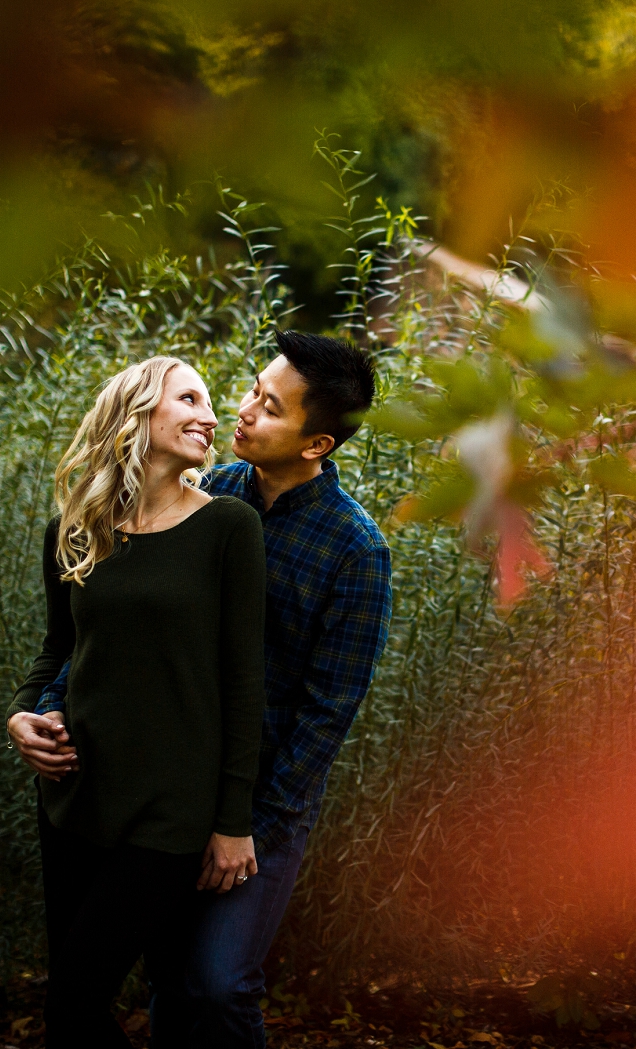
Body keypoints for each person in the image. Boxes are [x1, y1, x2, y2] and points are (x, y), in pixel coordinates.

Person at [29, 331, 394, 1048]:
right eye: (254, 389)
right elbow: (113, 634)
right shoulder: (208, 492)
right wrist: (43, 706)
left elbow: (326, 712)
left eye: (271, 406)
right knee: (168, 973)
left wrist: (242, 823)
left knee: (217, 981)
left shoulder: (354, 549)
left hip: (261, 799)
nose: (245, 409)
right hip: (169, 784)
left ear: (316, 442)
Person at [5, 357, 267, 1049]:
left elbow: (245, 681)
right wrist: (22, 712)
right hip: (72, 795)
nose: (209, 415)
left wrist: (232, 819)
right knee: (74, 1012)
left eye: (210, 402)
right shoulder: (73, 525)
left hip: (169, 815)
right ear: (138, 409)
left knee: (74, 1000)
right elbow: (59, 644)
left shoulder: (230, 527)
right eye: (189, 397)